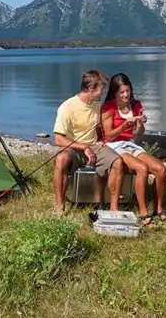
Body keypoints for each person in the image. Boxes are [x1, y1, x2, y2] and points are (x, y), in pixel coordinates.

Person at [52, 70, 125, 215]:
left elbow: (100, 128)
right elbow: (58, 139)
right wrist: (83, 147)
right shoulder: (67, 107)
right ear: (91, 89)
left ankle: (113, 208)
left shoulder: (97, 106)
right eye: (101, 89)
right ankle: (60, 205)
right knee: (61, 159)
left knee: (118, 162)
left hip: (94, 146)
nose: (102, 93)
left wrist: (101, 140)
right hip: (73, 146)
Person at [100, 73, 166, 226]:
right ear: (114, 92)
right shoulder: (108, 107)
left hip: (130, 144)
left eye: (128, 91)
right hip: (114, 146)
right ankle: (144, 213)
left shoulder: (136, 105)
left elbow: (139, 134)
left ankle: (159, 208)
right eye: (121, 92)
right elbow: (108, 135)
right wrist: (124, 126)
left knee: (161, 169)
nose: (125, 95)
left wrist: (139, 124)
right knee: (141, 168)